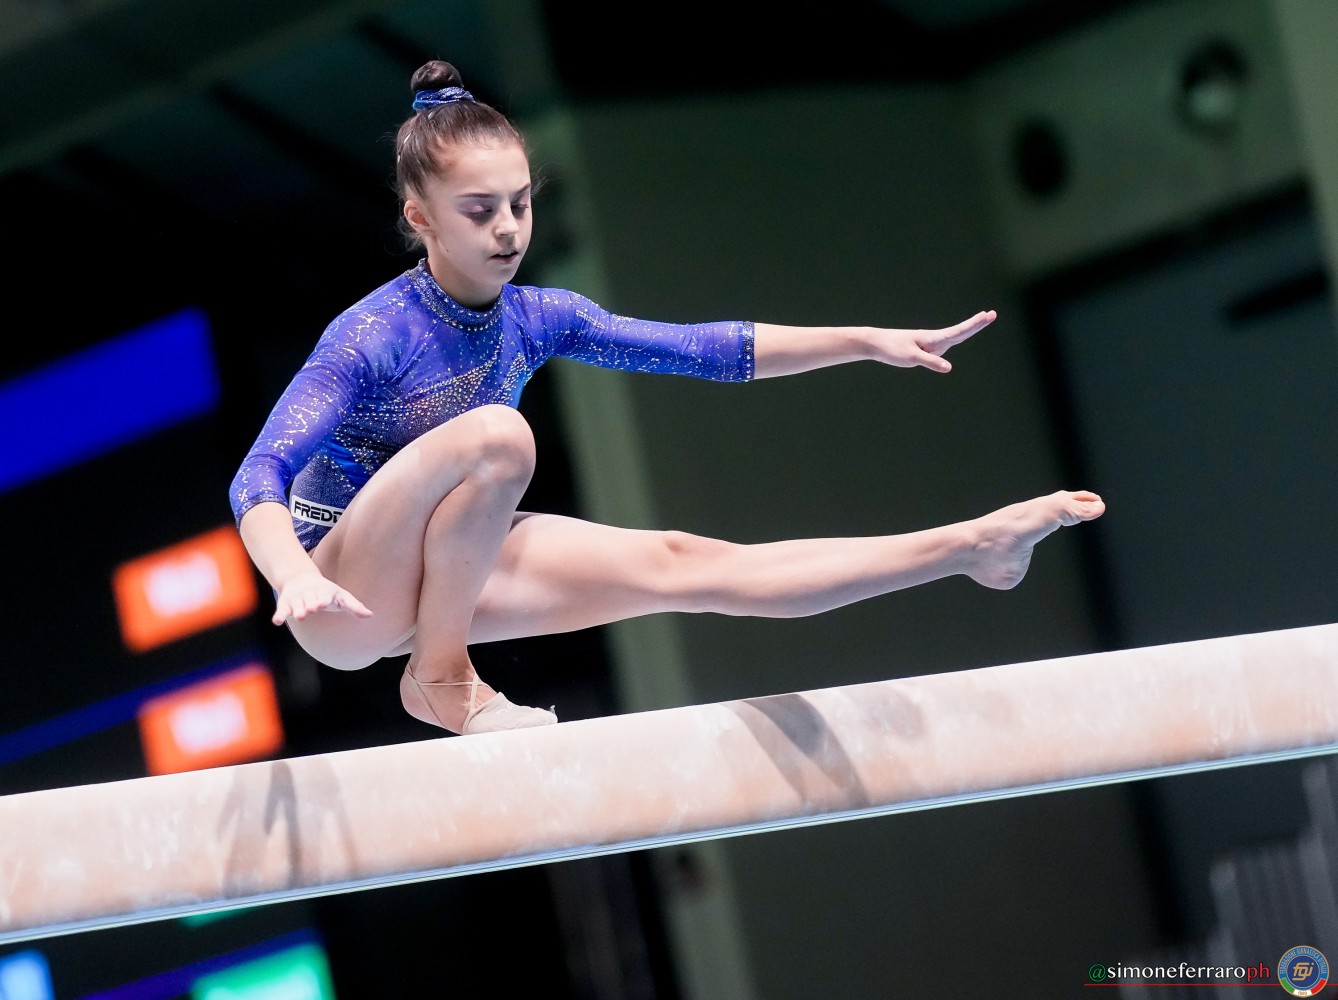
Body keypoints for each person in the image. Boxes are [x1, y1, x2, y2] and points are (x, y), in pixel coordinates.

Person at [228, 60, 1105, 737]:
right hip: (346, 597)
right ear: (420, 217)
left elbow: (703, 350)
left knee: (690, 563)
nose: (508, 229)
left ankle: (968, 549)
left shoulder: (537, 317)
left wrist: (864, 340)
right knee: (499, 436)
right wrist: (296, 577)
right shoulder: (374, 334)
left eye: (521, 204)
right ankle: (441, 677)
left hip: (452, 572)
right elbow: (257, 476)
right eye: (479, 210)